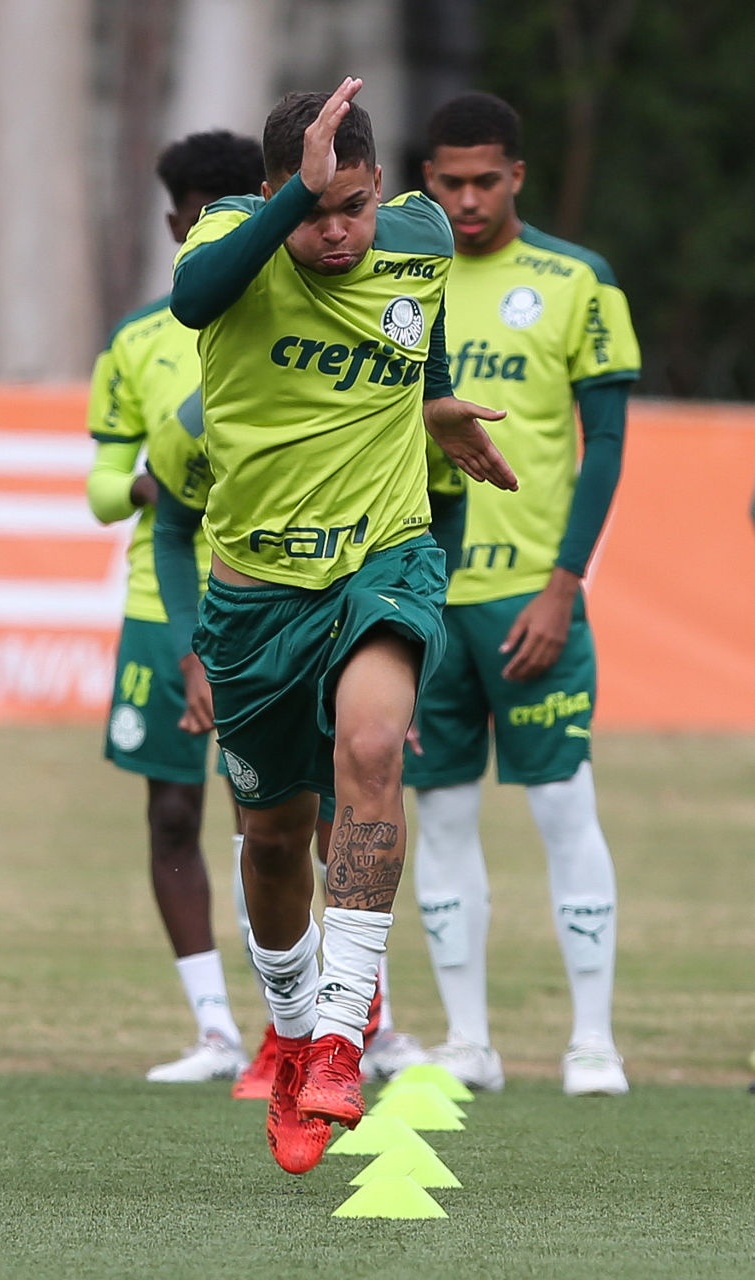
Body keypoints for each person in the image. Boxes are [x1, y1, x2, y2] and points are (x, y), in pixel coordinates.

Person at [159, 77, 516, 1174]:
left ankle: (337, 1041)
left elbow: (422, 340)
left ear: (380, 189)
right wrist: (291, 200)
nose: (337, 232)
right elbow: (193, 303)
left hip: (383, 557)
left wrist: (437, 401)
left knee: (371, 751)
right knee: (272, 838)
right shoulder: (229, 238)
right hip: (257, 590)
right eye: (313, 210)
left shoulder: (419, 235)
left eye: (353, 205)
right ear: (275, 192)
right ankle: (287, 1022)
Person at [404, 91, 641, 1096]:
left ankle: (593, 1042)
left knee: (562, 807)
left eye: (486, 181)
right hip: (422, 596)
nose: (468, 200)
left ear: (517, 177)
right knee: (441, 816)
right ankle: (469, 1041)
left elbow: (607, 444)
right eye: (451, 182)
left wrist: (563, 585)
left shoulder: (577, 280)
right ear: (428, 180)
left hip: (531, 597)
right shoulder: (398, 278)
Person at [86, 129, 265, 1085]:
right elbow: (101, 486)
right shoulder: (137, 341)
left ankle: (323, 1025)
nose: (210, 238)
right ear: (173, 225)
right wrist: (140, 488)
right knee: (170, 815)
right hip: (164, 605)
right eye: (198, 222)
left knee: (273, 818)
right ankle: (214, 1030)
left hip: (266, 591)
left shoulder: (292, 320)